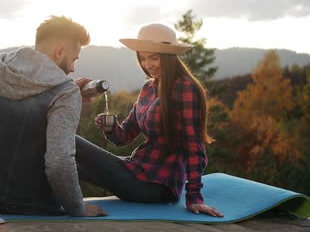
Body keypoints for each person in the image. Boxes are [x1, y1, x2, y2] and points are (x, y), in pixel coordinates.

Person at [0, 15, 107, 217]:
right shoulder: (66, 92)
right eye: (74, 59)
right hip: (27, 204)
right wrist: (77, 208)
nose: (73, 68)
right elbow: (59, 163)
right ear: (60, 51)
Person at [90, 23, 223, 217]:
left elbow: (194, 147)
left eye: (154, 57)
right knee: (69, 151)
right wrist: (110, 127)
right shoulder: (148, 89)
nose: (147, 64)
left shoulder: (184, 87)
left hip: (158, 186)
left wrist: (194, 196)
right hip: (138, 170)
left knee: (73, 146)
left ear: (169, 57)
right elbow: (125, 136)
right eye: (143, 58)